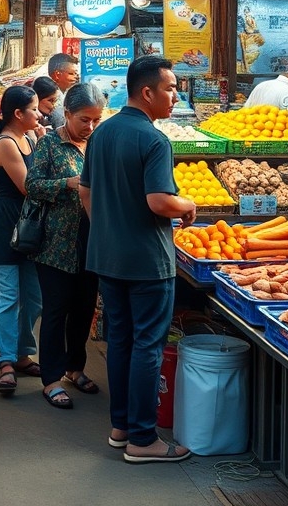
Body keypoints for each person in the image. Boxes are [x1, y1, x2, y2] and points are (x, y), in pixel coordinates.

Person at [80, 56, 195, 462]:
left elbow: (86, 192)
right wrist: (187, 203)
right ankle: (143, 440)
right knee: (148, 345)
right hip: (147, 261)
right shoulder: (154, 140)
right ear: (147, 92)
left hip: (108, 257)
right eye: (170, 88)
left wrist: (109, 228)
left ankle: (121, 426)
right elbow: (159, 201)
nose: (175, 95)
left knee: (122, 341)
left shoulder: (102, 133)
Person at [26, 83, 106, 409]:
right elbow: (32, 185)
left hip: (93, 243)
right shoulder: (49, 144)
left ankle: (76, 368)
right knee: (56, 311)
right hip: (56, 245)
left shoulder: (99, 144)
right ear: (68, 114)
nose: (90, 127)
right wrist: (67, 184)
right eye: (84, 120)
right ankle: (51, 378)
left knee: (83, 309)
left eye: (96, 120)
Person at [0, 85, 43, 395]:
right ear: (18, 114)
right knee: (7, 298)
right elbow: (29, 186)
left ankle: (21, 353)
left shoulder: (29, 137)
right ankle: (6, 360)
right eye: (34, 109)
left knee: (33, 298)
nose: (40, 113)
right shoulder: (6, 142)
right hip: (6, 226)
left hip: (29, 227)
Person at [35, 54, 80, 129]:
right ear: (57, 75)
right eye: (71, 73)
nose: (76, 77)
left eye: (76, 73)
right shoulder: (55, 97)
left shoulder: (64, 93)